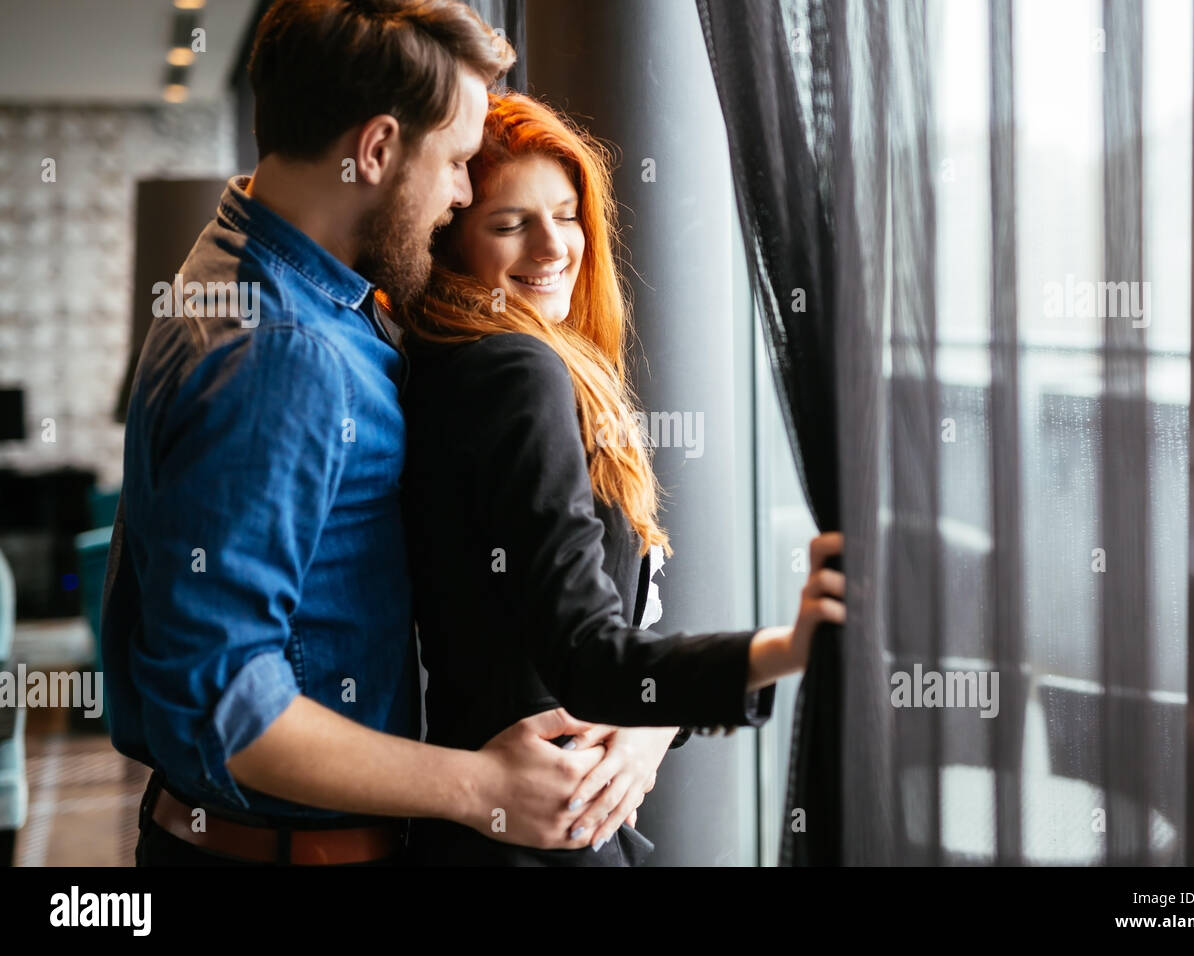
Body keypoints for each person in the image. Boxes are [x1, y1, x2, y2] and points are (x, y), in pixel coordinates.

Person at [102, 0, 619, 867]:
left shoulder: (256, 259)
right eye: (455, 162)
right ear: (376, 151)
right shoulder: (284, 352)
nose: (461, 193)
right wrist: (483, 787)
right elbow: (226, 700)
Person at [397, 92, 846, 866]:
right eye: (509, 225)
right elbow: (589, 658)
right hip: (544, 830)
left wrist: (652, 724)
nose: (552, 248)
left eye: (567, 214)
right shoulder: (516, 370)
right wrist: (785, 648)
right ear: (451, 243)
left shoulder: (453, 366)